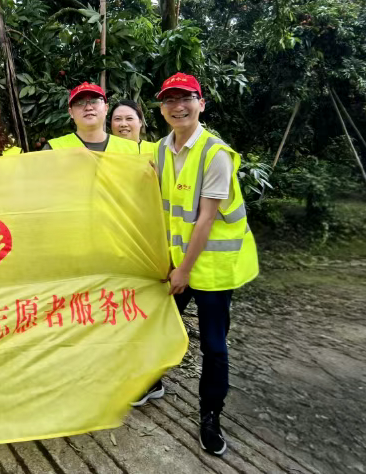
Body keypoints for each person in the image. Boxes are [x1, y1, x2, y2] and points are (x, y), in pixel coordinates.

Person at [133, 72, 258, 457]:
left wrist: (184, 271)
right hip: (177, 264)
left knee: (214, 346)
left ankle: (210, 415)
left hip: (213, 268)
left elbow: (204, 219)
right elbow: (162, 208)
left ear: (201, 104)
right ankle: (153, 381)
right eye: (169, 100)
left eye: (185, 98)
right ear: (161, 109)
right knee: (160, 327)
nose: (177, 106)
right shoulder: (160, 149)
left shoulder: (214, 153)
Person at [44, 83, 138, 153]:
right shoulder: (53, 149)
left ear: (106, 108)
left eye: (94, 101)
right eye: (80, 103)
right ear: (71, 112)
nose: (88, 108)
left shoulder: (131, 149)